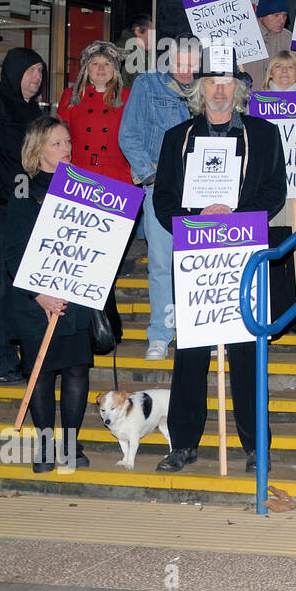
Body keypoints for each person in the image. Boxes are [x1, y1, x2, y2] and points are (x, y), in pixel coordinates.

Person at [152, 69, 286, 473]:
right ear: (200, 90)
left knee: (247, 351)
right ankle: (183, 443)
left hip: (243, 254)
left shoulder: (263, 135)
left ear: (240, 90)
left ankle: (254, 445)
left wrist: (234, 215)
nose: (220, 90)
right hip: (196, 257)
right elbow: (163, 200)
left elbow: (274, 191)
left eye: (227, 82)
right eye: (212, 82)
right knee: (190, 353)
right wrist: (198, 216)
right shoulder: (178, 139)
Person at [4, 117, 92, 472]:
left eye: (68, 141)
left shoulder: (84, 187)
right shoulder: (23, 188)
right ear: (38, 150)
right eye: (57, 143)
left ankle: (70, 445)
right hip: (34, 302)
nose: (67, 148)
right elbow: (14, 251)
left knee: (75, 369)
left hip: (75, 297)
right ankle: (44, 446)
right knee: (40, 372)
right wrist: (39, 295)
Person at [0, 47, 46, 385]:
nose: (36, 78)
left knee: (13, 287)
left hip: (22, 212)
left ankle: (6, 357)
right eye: (30, 71)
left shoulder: (33, 113)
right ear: (13, 72)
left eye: (40, 72)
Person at [119, 37, 194, 360]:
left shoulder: (211, 87)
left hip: (201, 190)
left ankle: (195, 330)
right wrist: (148, 175)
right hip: (160, 187)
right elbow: (129, 134)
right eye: (181, 63)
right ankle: (161, 333)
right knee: (162, 264)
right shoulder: (148, 85)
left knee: (195, 263)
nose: (187, 71)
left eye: (193, 64)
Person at [57, 40, 133, 344]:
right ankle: (95, 326)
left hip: (117, 183)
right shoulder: (70, 97)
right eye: (94, 64)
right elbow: (57, 138)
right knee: (83, 259)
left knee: (108, 260)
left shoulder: (127, 98)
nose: (100, 69)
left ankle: (106, 323)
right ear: (85, 69)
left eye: (107, 64)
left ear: (116, 69)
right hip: (79, 180)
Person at [259, 51, 296, 335]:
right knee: (274, 260)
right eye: (278, 67)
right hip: (271, 195)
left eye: (289, 67)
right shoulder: (256, 106)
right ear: (270, 73)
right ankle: (277, 318)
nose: (283, 72)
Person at [240, 0, 296, 86]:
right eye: (276, 15)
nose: (281, 20)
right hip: (247, 97)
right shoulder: (243, 36)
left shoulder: (289, 39)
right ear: (261, 16)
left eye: (284, 15)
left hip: (277, 99)